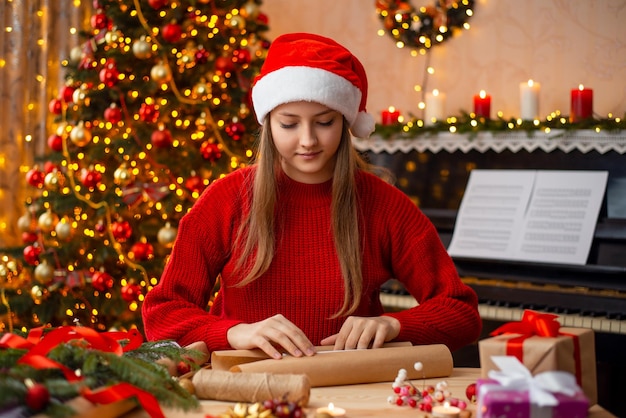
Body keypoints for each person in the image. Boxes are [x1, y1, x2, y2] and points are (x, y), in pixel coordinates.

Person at [142, 32, 481, 360]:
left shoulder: (383, 203)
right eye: (289, 124)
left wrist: (393, 324)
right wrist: (235, 332)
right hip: (247, 391)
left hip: (351, 390)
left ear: (346, 121)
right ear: (268, 123)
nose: (307, 140)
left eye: (324, 122)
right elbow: (163, 313)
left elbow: (461, 313)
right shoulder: (227, 199)